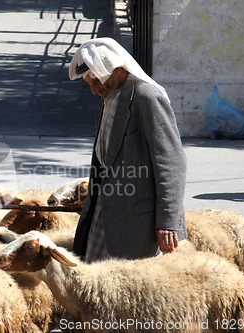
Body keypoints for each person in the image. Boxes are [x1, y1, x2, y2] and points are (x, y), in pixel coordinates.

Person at [68, 38, 187, 263]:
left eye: (96, 82)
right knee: (94, 283)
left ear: (116, 69)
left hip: (139, 223)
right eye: (89, 84)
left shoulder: (146, 97)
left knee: (134, 292)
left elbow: (172, 163)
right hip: (104, 211)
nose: (93, 91)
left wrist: (167, 222)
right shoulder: (108, 98)